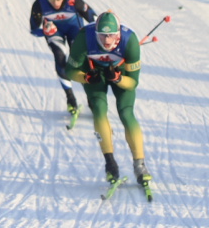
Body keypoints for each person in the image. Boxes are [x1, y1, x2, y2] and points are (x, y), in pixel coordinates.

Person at [64, 10, 151, 190]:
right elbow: (70, 71)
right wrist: (86, 78)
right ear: (95, 34)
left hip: (120, 73)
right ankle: (110, 163)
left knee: (126, 113)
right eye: (102, 36)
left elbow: (133, 83)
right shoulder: (83, 38)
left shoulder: (130, 41)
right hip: (93, 72)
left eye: (111, 35)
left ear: (118, 34)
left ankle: (140, 166)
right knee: (98, 109)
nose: (107, 41)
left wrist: (118, 79)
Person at [29, 0, 98, 124]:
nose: (55, 2)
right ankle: (70, 99)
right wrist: (45, 32)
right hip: (55, 33)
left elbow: (94, 18)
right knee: (60, 58)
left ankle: (91, 99)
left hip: (75, 31)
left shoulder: (74, 0)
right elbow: (33, 30)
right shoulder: (39, 4)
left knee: (80, 61)